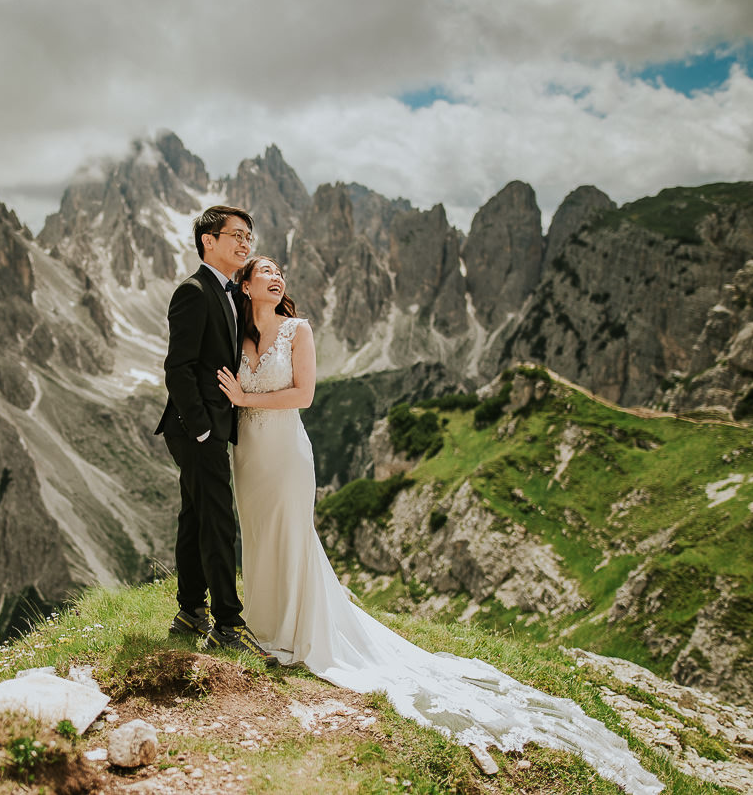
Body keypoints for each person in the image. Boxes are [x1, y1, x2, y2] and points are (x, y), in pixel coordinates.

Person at [216, 256, 664, 795]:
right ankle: (265, 627)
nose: (277, 275)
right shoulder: (237, 337)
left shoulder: (298, 329)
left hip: (286, 450)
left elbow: (304, 396)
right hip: (251, 456)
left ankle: (296, 634)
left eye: (280, 269)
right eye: (264, 269)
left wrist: (246, 397)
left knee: (292, 534)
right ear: (244, 283)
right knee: (261, 536)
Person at [155, 205, 276, 666]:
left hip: (207, 427)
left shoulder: (228, 291)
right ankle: (228, 624)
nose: (245, 244)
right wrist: (203, 428)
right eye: (236, 236)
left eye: (249, 236)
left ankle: (189, 612)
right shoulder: (193, 291)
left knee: (196, 516)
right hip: (194, 429)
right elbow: (178, 368)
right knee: (219, 520)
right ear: (209, 241)